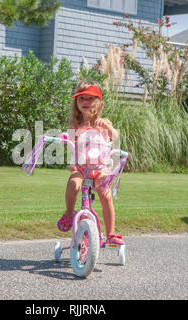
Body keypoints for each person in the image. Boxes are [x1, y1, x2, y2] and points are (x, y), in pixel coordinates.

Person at [56, 81, 124, 245]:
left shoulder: (103, 123)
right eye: (81, 99)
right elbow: (70, 142)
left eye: (90, 99)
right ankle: (69, 212)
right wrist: (65, 138)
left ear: (98, 103)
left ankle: (111, 234)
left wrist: (108, 128)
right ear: (76, 103)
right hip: (81, 167)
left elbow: (114, 137)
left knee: (105, 193)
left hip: (100, 168)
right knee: (73, 184)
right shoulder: (75, 124)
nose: (85, 102)